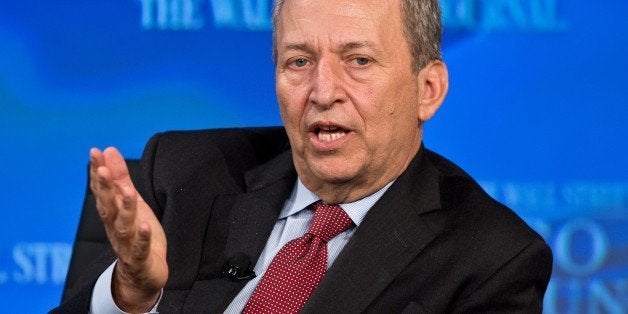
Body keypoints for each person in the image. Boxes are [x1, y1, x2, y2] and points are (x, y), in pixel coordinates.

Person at [53, 0, 552, 312]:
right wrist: (128, 298)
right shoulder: (181, 172)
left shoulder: (491, 259)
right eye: (299, 61)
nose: (322, 90)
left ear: (428, 88)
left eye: (358, 61)